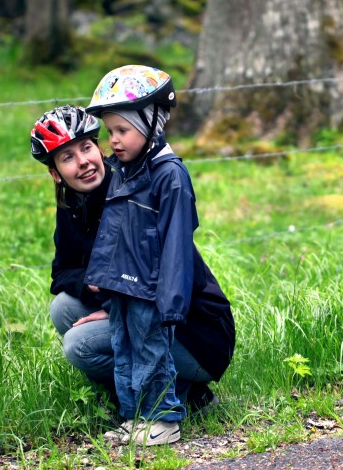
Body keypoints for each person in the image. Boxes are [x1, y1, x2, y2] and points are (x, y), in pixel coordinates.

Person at [31, 100, 235, 444]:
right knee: (63, 307)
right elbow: (61, 272)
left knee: (79, 345)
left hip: (194, 329)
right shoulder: (72, 206)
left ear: (99, 148)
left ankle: (162, 403)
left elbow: (152, 275)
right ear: (55, 173)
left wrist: (110, 304)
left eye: (87, 147)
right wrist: (97, 291)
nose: (83, 162)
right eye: (68, 158)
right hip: (134, 303)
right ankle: (176, 396)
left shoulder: (128, 189)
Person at [80, 64, 218, 446]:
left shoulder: (169, 176)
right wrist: (101, 277)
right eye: (110, 132)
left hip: (151, 289)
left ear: (152, 122)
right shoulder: (124, 170)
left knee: (151, 353)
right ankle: (134, 416)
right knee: (124, 349)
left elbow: (177, 246)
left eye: (122, 131)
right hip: (124, 286)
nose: (114, 141)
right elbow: (115, 231)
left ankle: (165, 420)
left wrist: (170, 303)